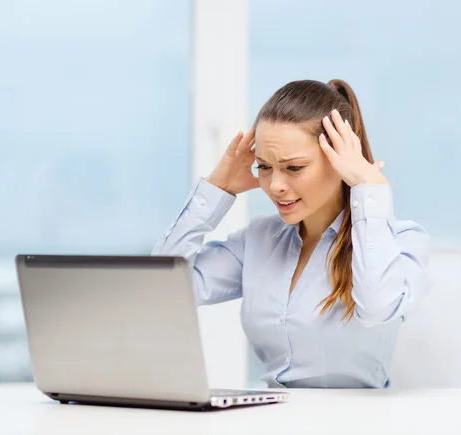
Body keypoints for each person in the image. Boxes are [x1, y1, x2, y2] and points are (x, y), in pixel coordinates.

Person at [152, 79, 431, 388]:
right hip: (270, 419)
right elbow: (164, 291)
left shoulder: (400, 242)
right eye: (264, 167)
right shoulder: (259, 240)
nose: (275, 186)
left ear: (339, 160)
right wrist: (216, 189)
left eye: (294, 168)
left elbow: (377, 307)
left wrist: (370, 190)